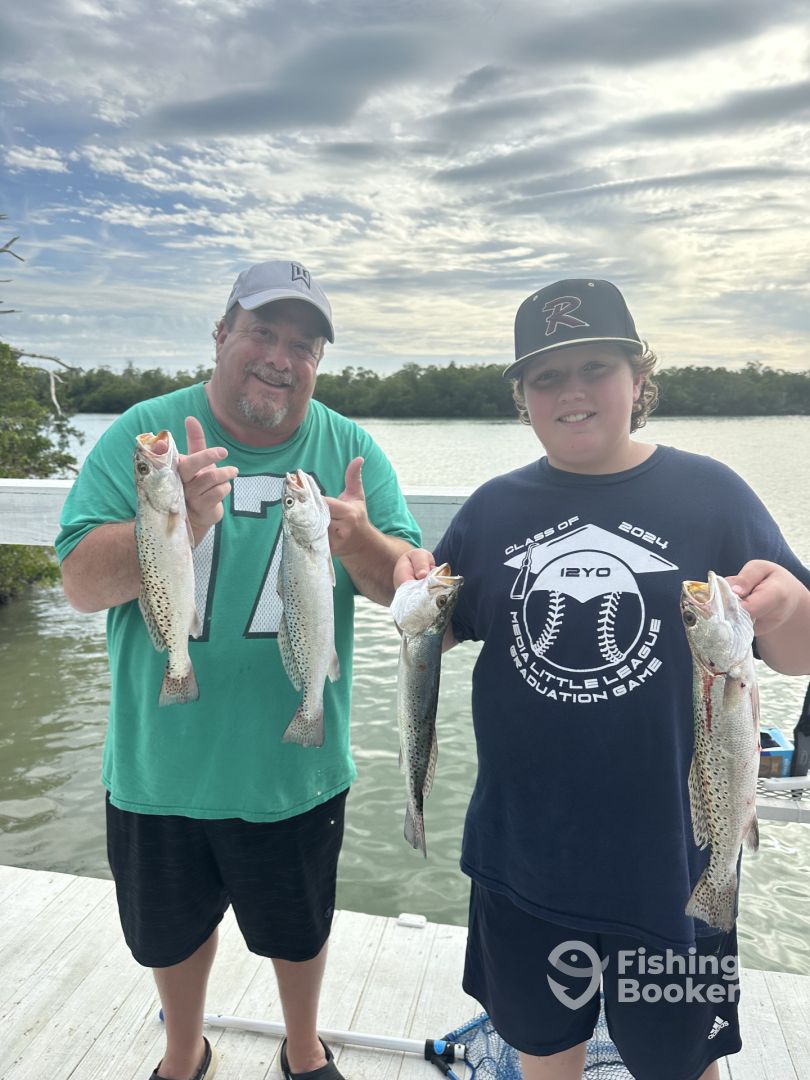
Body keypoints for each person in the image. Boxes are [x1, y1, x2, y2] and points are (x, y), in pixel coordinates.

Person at [395, 278, 810, 1080]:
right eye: (547, 376)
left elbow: (799, 654)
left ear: (638, 379)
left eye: (596, 367)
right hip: (524, 858)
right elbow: (438, 627)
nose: (573, 392)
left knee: (680, 1061)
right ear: (522, 398)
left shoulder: (712, 494)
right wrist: (406, 588)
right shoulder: (493, 508)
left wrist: (790, 604)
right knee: (543, 1049)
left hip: (676, 868)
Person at [56, 259, 421, 1080]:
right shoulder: (146, 437)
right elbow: (79, 583)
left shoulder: (349, 448)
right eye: (262, 332)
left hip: (296, 765)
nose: (281, 358)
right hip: (161, 762)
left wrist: (362, 539)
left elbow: (398, 586)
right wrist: (166, 520)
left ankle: (304, 1048)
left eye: (304, 346)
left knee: (299, 928)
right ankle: (183, 1052)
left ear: (318, 362)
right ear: (222, 334)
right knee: (170, 933)